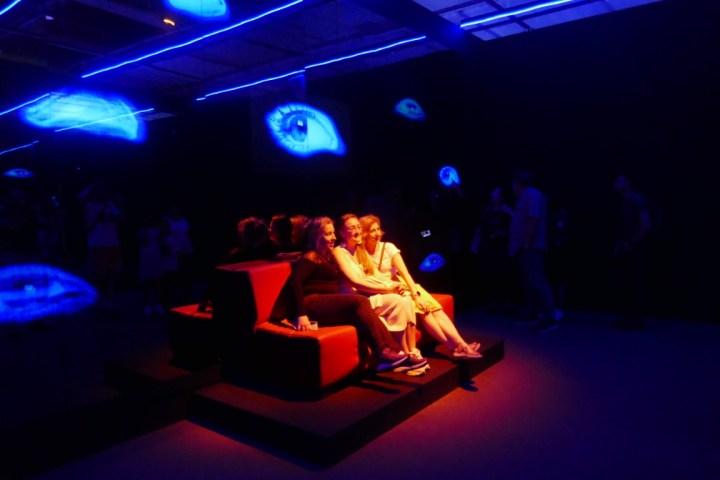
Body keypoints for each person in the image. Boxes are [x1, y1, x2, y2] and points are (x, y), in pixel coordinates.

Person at [269, 216, 424, 372]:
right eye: (328, 234)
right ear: (316, 235)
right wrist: (301, 314)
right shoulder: (311, 255)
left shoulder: (326, 254)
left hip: (326, 302)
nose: (333, 237)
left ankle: (398, 353)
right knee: (360, 301)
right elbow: (294, 282)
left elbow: (301, 256)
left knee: (365, 306)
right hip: (312, 302)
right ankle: (382, 352)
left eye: (333, 233)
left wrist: (288, 255)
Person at [359, 214, 482, 359]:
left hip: (404, 285)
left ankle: (462, 344)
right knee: (425, 312)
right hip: (389, 291)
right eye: (372, 230)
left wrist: (416, 295)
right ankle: (454, 348)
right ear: (364, 233)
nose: (377, 233)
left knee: (436, 309)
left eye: (378, 229)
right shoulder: (360, 253)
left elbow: (405, 274)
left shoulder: (388, 247)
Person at [333, 213, 428, 371]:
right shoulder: (339, 252)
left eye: (358, 227)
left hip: (366, 296)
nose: (357, 231)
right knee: (398, 301)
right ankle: (404, 355)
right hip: (354, 301)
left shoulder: (359, 249)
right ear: (342, 233)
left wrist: (394, 285)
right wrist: (388, 288)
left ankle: (408, 352)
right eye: (352, 228)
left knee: (404, 299)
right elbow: (356, 282)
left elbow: (375, 274)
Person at [508, 171, 558, 332]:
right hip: (524, 247)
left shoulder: (532, 194)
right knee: (529, 281)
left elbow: (533, 218)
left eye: (514, 184)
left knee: (537, 281)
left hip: (531, 246)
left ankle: (549, 317)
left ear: (518, 183)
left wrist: (526, 242)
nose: (512, 187)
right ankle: (534, 313)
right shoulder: (526, 196)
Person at [612, 173, 652, 330]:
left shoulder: (637, 200)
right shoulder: (625, 202)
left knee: (635, 283)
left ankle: (638, 320)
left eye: (619, 181)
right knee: (627, 283)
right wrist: (620, 244)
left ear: (628, 183)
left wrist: (631, 243)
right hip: (627, 247)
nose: (615, 184)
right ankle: (629, 318)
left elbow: (646, 224)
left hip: (636, 249)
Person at [470, 186, 515, 310]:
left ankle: (505, 302)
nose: (493, 196)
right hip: (489, 246)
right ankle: (492, 302)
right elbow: (482, 227)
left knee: (503, 273)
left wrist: (502, 233)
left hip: (502, 247)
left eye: (496, 194)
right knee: (490, 273)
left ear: (502, 196)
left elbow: (513, 226)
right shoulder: (488, 210)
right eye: (493, 193)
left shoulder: (506, 210)